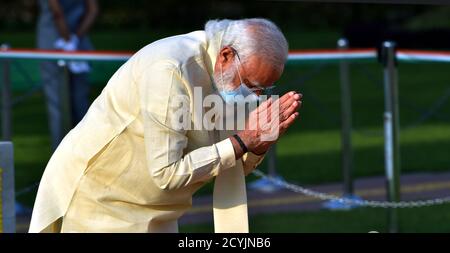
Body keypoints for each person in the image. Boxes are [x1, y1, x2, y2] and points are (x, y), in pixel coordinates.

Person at [29, 18, 302, 233]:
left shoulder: (229, 76)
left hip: (160, 211)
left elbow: (228, 162)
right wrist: (243, 142)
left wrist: (257, 146)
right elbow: (167, 173)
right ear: (226, 55)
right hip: (102, 202)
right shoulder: (170, 68)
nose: (254, 96)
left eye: (264, 89)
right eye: (252, 85)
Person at [37, 0, 98, 151]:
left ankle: (64, 159)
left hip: (53, 44)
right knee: (79, 103)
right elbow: (93, 10)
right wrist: (75, 39)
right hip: (78, 44)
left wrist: (68, 41)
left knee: (58, 105)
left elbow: (57, 12)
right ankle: (81, 156)